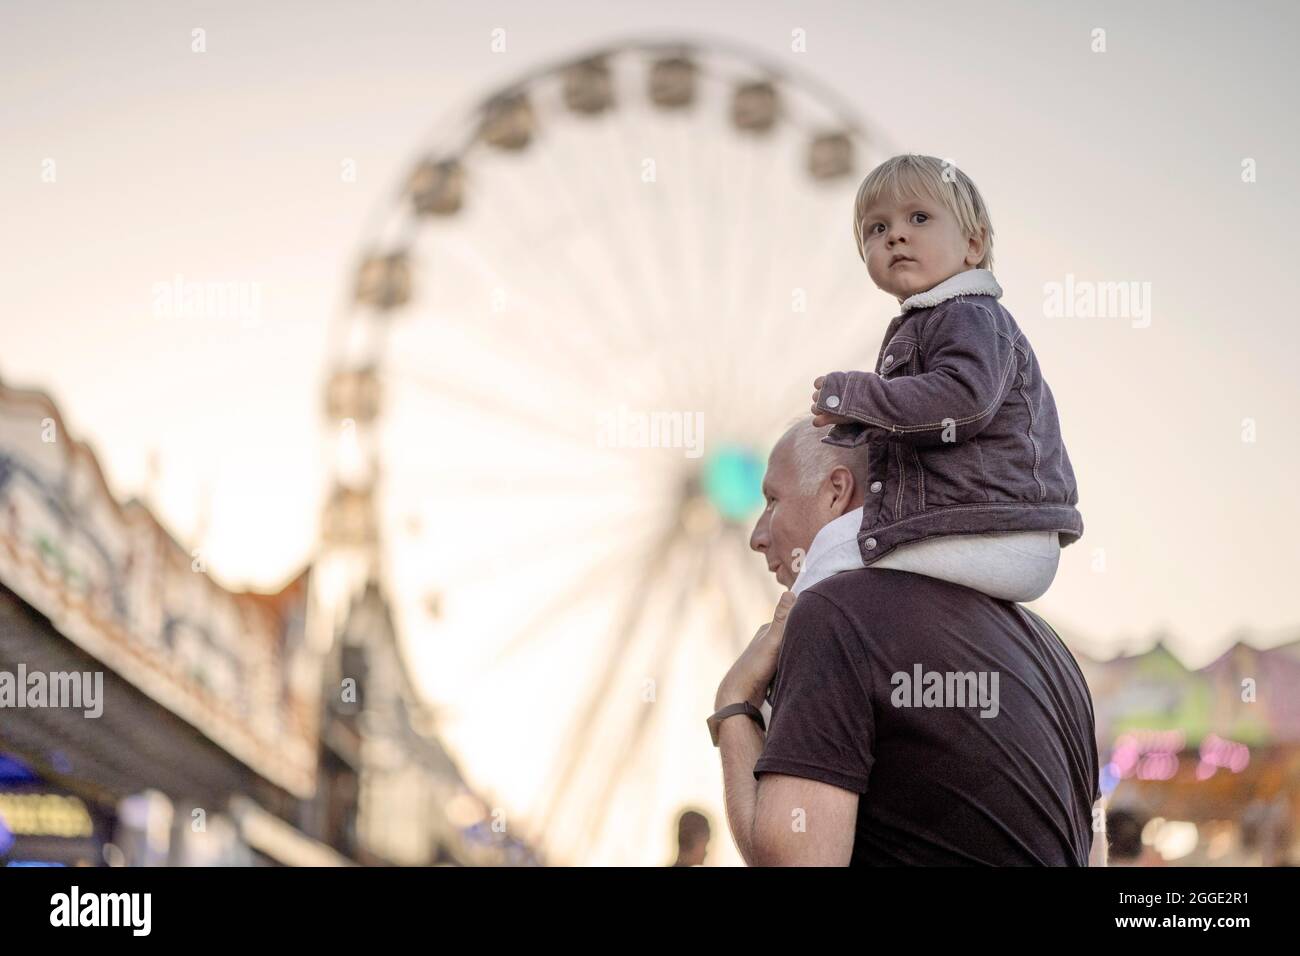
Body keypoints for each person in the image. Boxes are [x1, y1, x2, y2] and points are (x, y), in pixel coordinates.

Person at [711, 417, 1104, 865]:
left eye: (772, 501)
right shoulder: (1053, 653)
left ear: (837, 491)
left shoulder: (832, 613)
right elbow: (1093, 849)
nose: (757, 537)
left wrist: (734, 705)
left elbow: (794, 861)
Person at [804, 154, 1082, 603]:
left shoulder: (966, 313)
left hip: (993, 526)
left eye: (919, 217)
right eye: (876, 229)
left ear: (973, 245)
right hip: (997, 526)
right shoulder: (939, 320)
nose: (895, 234)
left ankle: (772, 660)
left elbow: (960, 401)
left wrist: (859, 398)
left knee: (831, 551)